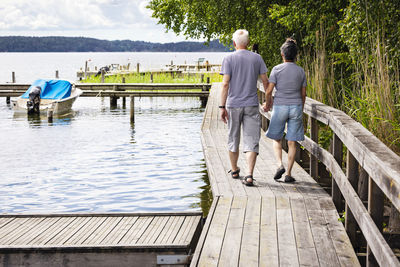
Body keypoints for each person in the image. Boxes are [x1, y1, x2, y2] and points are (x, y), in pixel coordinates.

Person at [220, 29, 269, 186]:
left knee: (233, 137)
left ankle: (234, 170)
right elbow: (266, 81)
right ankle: (249, 174)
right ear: (247, 43)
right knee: (251, 139)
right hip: (251, 104)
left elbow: (225, 84)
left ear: (234, 43)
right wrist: (269, 101)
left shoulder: (228, 59)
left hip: (233, 105)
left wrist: (222, 106)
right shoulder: (257, 58)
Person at [263, 38, 307, 183]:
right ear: (296, 55)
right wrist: (300, 107)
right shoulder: (301, 71)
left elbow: (269, 91)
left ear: (282, 54)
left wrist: (267, 103)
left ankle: (279, 165)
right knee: (292, 142)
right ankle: (288, 174)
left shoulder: (276, 69)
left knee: (277, 138)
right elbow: (303, 94)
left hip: (280, 106)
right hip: (296, 107)